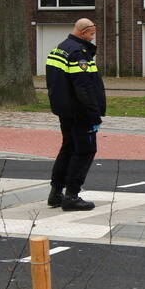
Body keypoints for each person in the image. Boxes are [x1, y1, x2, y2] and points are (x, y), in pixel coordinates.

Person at [45, 18, 105, 211]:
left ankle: (55, 193)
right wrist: (93, 114)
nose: (93, 38)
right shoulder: (79, 53)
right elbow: (83, 87)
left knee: (68, 148)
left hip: (65, 110)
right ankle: (72, 195)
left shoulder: (59, 49)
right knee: (85, 151)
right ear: (82, 32)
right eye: (91, 34)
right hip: (80, 112)